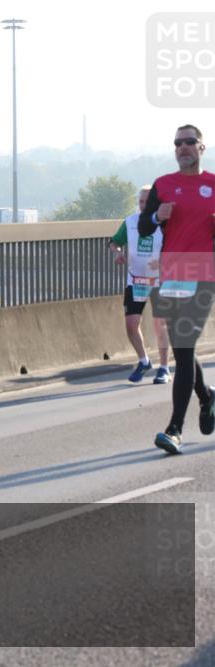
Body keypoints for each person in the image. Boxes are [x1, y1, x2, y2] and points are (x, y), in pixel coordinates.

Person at [138, 125, 215, 453]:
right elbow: (143, 227)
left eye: (189, 142)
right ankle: (208, 396)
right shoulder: (163, 185)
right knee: (184, 351)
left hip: (202, 274)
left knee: (183, 346)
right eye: (177, 143)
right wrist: (156, 214)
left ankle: (175, 429)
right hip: (170, 275)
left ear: (201, 147)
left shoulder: (213, 184)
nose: (182, 147)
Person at [108, 185, 170, 383]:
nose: (144, 205)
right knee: (131, 324)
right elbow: (115, 241)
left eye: (148, 201)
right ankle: (144, 361)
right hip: (136, 281)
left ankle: (164, 368)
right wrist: (118, 252)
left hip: (160, 281)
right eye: (141, 201)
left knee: (161, 325)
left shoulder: (165, 224)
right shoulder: (131, 222)